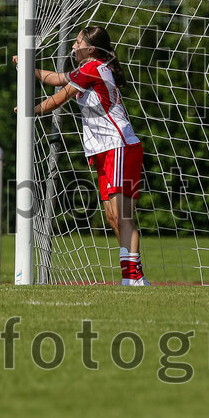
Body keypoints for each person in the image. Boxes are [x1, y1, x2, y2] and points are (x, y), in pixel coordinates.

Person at [14, 26, 147, 286]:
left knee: (122, 216)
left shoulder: (93, 68)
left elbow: (58, 97)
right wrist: (27, 68)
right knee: (112, 217)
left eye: (78, 43)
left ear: (91, 49)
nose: (74, 47)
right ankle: (131, 277)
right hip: (103, 150)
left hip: (119, 146)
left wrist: (30, 110)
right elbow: (57, 78)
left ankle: (134, 279)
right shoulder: (86, 69)